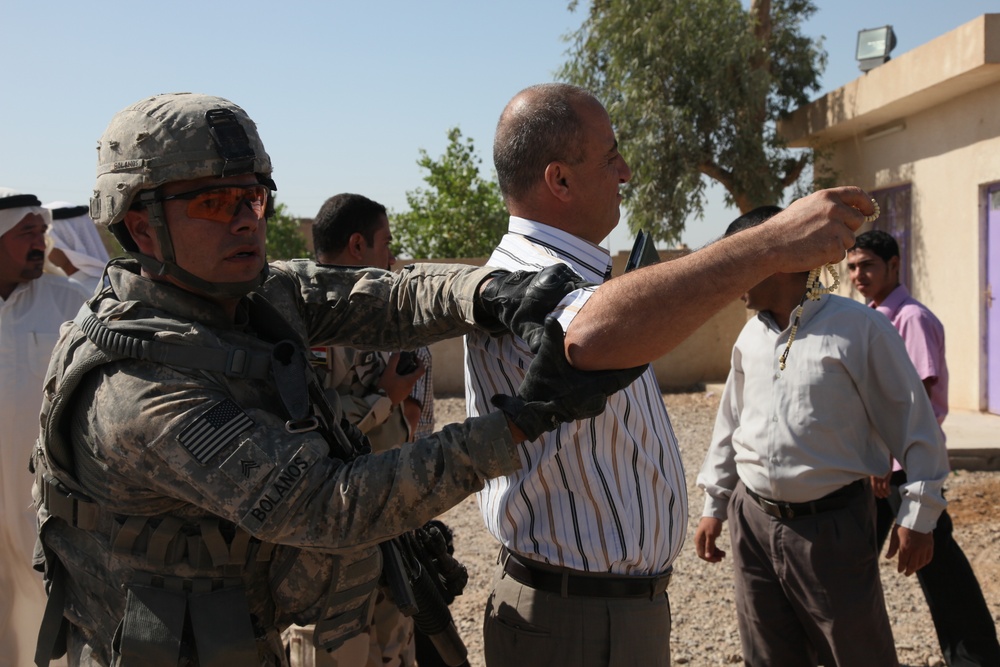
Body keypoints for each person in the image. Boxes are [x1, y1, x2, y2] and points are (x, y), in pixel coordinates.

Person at [28, 92, 638, 667]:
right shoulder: (139, 390)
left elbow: (387, 298)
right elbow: (331, 504)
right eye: (215, 203)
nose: (246, 221)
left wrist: (490, 293)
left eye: (255, 198)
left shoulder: (249, 293)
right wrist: (521, 421)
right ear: (141, 227)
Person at [463, 82, 877, 667]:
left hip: (607, 612)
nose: (625, 172)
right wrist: (771, 243)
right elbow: (583, 335)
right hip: (572, 621)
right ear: (559, 180)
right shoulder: (522, 276)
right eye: (610, 158)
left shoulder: (580, 276)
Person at [694, 206, 951, 667]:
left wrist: (919, 514)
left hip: (831, 529)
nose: (729, 278)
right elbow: (730, 426)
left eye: (739, 262)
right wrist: (715, 504)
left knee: (855, 653)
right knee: (768, 655)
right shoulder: (749, 339)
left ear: (780, 259)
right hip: (752, 524)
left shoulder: (859, 330)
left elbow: (915, 425)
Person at [283, 192, 433, 667]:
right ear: (356, 245)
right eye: (385, 242)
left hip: (388, 521)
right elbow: (309, 427)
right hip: (330, 543)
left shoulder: (375, 311)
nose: (392, 255)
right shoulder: (303, 318)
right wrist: (382, 398)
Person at [848, 230, 1000, 667]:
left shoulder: (909, 319)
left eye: (869, 266)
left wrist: (886, 458)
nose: (859, 275)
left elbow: (914, 405)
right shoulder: (872, 316)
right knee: (852, 563)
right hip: (881, 467)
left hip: (905, 468)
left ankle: (976, 657)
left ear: (895, 266)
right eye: (853, 267)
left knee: (939, 567)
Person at [0, 188, 89, 667]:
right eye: (25, 234)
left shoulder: (70, 302)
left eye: (42, 232)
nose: (40, 243)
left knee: (50, 609)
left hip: (43, 496)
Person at [42, 201, 111, 294]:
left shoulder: (98, 291)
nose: (40, 248)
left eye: (47, 243)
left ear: (67, 244)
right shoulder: (47, 289)